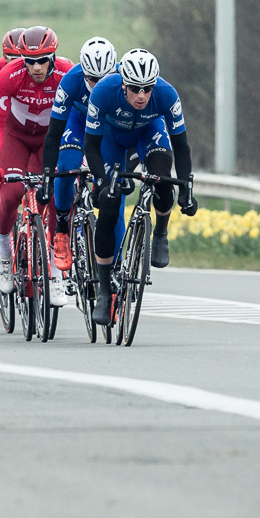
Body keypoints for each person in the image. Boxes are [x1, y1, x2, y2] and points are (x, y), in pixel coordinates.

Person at [82, 49, 194, 327]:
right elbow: (91, 147)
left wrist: (187, 190)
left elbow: (181, 147)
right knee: (108, 205)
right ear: (123, 85)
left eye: (147, 89)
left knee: (162, 179)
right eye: (135, 89)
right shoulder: (104, 92)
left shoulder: (167, 94)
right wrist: (102, 181)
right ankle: (105, 290)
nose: (142, 95)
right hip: (111, 140)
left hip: (148, 133)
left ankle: (161, 232)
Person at [0, 26, 70, 293]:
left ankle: (56, 272)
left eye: (42, 61)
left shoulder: (65, 73)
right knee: (12, 193)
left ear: (53, 57)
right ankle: (3, 253)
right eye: (30, 61)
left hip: (48, 140)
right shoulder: (8, 74)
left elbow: (77, 118)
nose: (36, 67)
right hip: (16, 138)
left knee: (57, 197)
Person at [40, 36, 118, 297]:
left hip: (107, 129)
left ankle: (113, 266)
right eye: (92, 80)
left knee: (113, 195)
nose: (97, 86)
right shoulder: (71, 81)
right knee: (68, 166)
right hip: (77, 122)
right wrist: (49, 175)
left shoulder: (123, 83)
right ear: (84, 72)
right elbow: (53, 134)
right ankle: (62, 227)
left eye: (103, 80)